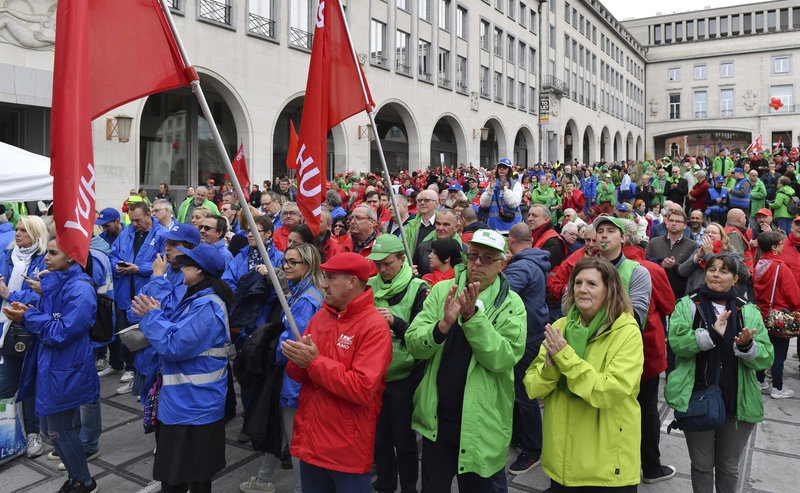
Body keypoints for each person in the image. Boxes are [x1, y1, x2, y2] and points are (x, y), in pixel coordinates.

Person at [405, 229, 526, 490]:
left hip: (481, 426)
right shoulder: (441, 291)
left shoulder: (511, 303)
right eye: (473, 256)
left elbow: (503, 358)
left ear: (502, 263)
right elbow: (414, 344)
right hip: (436, 422)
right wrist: (442, 327)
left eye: (486, 258)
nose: (477, 264)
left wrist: (472, 319)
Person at [524, 256, 644, 491]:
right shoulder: (560, 327)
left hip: (605, 467)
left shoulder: (626, 332)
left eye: (591, 284)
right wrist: (549, 369)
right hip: (561, 464)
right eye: (578, 283)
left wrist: (565, 359)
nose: (582, 290)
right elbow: (531, 387)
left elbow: (609, 391)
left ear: (610, 290)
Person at [282, 253, 392, 492]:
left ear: (352, 282)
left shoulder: (374, 326)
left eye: (330, 278)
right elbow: (300, 373)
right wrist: (295, 359)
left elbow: (362, 388)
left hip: (346, 451)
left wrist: (312, 363)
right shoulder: (322, 315)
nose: (323, 284)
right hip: (311, 443)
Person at [665, 254, 774, 493]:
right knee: (702, 466)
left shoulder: (748, 311)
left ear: (735, 279)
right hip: (697, 398)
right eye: (712, 269)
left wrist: (746, 346)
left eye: (723, 271)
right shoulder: (688, 305)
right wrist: (710, 335)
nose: (715, 274)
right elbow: (677, 343)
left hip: (737, 401)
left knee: (728, 467)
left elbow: (767, 355)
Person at [131, 243, 233, 493]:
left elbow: (175, 345)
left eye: (186, 264)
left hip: (195, 406)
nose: (180, 267)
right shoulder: (197, 298)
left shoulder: (208, 306)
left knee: (187, 478)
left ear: (199, 271)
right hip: (184, 403)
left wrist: (151, 317)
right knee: (181, 476)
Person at [5, 237, 99, 493]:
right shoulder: (57, 282)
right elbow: (50, 319)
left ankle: (84, 481)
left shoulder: (80, 289)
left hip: (67, 368)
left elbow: (61, 332)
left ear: (70, 257)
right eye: (47, 251)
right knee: (51, 428)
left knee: (59, 430)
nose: (46, 257)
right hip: (52, 365)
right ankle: (76, 477)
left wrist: (28, 316)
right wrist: (28, 308)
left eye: (53, 253)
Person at [240, 243, 324, 493]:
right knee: (282, 431)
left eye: (292, 262)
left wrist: (271, 353)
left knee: (294, 440)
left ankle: (301, 488)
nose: (285, 266)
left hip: (293, 378)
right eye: (285, 261)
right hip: (289, 375)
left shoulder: (306, 300)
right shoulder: (300, 292)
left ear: (308, 265)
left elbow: (292, 344)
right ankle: (264, 480)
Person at [366, 235, 429, 493]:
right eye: (378, 264)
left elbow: (422, 338)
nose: (382, 269)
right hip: (373, 378)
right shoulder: (368, 286)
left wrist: (396, 323)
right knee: (379, 440)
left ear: (402, 259)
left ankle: (409, 487)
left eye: (388, 263)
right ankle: (385, 484)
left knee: (404, 442)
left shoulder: (419, 288)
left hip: (404, 379)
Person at [0, 215, 48, 458]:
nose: (17, 234)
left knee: (29, 385)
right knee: (5, 385)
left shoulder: (44, 259)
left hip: (28, 330)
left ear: (36, 234)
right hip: (4, 329)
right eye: (17, 229)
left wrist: (10, 293)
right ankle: (6, 437)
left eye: (23, 231)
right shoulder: (8, 256)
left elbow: (42, 297)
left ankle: (33, 434)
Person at [504, 223, 550, 475]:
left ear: (511, 240)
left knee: (524, 395)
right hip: (532, 333)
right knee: (521, 392)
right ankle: (521, 437)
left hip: (526, 337)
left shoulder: (522, 266)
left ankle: (532, 449)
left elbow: (501, 293)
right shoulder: (534, 260)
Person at [109, 202, 167, 394]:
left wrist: (139, 269)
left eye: (138, 220)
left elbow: (164, 263)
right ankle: (131, 370)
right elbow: (113, 255)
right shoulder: (126, 233)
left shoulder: (161, 235)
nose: (135, 224)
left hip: (147, 294)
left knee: (146, 337)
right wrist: (118, 266)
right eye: (132, 220)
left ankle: (147, 379)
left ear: (149, 214)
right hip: (125, 291)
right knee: (127, 332)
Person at [753, 231, 800, 399]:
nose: (783, 246)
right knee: (779, 353)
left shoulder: (760, 264)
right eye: (780, 244)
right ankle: (778, 388)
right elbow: (794, 295)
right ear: (773, 247)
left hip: (762, 313)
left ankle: (760, 381)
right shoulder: (780, 266)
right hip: (779, 316)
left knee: (763, 348)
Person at [679, 222, 751, 297]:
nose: (709, 234)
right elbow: (682, 271)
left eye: (714, 233)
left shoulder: (731, 254)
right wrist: (697, 257)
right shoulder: (699, 250)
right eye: (707, 232)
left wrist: (708, 253)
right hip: (695, 296)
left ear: (722, 236)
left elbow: (728, 270)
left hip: (719, 297)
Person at [646, 208, 699, 300]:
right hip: (654, 292)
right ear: (667, 223)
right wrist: (660, 264)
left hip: (679, 295)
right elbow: (645, 264)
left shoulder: (693, 246)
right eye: (671, 220)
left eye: (678, 221)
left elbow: (691, 271)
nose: (674, 223)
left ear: (685, 225)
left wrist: (675, 266)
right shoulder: (654, 242)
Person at [412, 209, 460, 278]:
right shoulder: (422, 248)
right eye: (438, 224)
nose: (440, 228)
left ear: (456, 227)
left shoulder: (464, 251)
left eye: (446, 224)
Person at [480, 158, 523, 233]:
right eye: (500, 167)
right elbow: (483, 204)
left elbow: (513, 203)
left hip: (510, 226)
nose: (502, 169)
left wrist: (504, 189)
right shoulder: (493, 183)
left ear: (509, 169)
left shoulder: (516, 184)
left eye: (504, 167)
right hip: (493, 226)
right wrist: (490, 189)